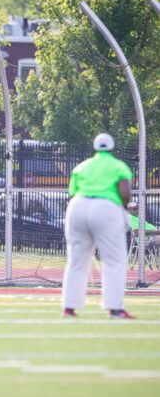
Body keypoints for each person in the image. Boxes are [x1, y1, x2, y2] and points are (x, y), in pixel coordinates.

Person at [62, 133, 135, 319]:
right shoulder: (118, 166)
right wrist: (123, 208)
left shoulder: (82, 166)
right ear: (112, 148)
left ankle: (69, 307)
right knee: (114, 261)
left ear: (95, 147)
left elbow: (73, 191)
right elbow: (125, 192)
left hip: (77, 206)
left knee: (77, 261)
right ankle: (115, 308)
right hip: (106, 207)